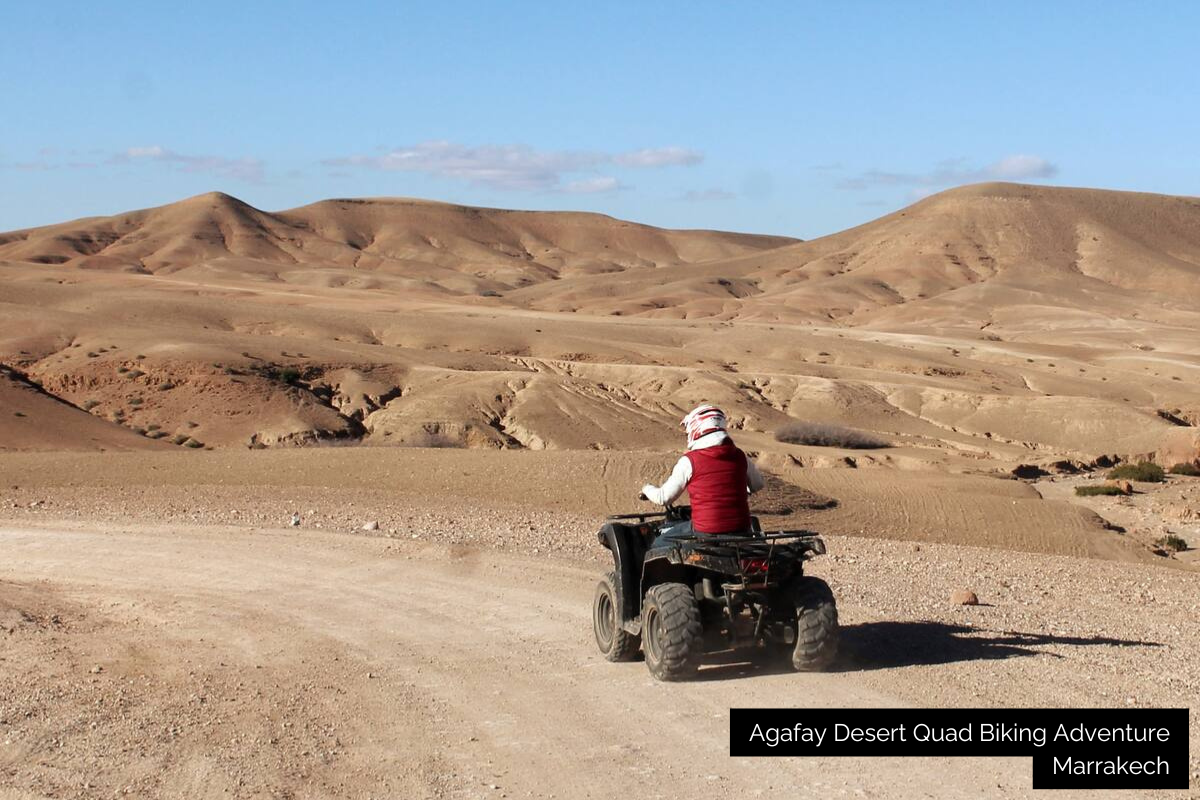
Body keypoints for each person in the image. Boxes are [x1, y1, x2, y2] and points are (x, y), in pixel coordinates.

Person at [640, 404, 764, 545]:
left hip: (706, 531)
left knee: (658, 543)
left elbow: (663, 498)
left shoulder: (690, 461)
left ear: (696, 428)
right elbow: (758, 484)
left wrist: (646, 488)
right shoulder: (740, 456)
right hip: (742, 530)